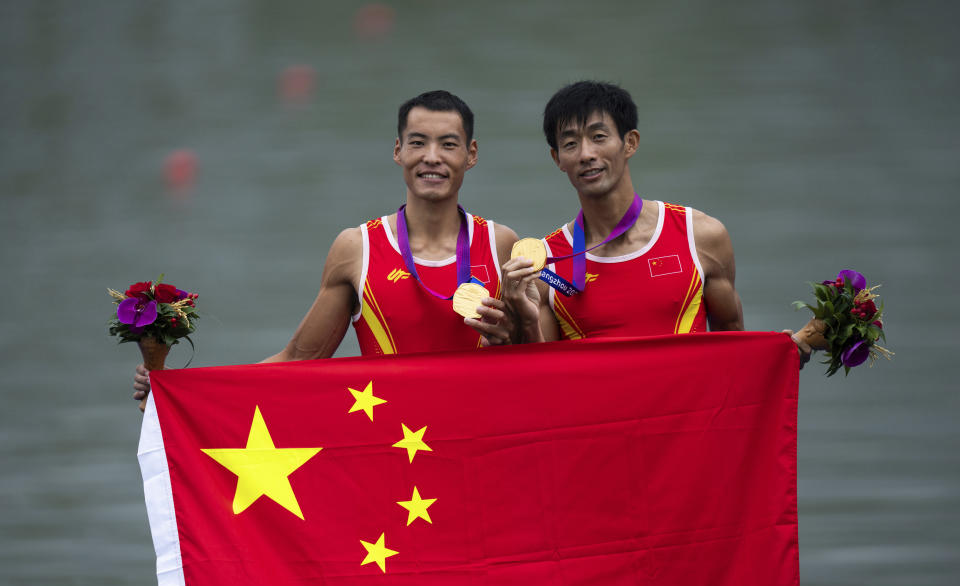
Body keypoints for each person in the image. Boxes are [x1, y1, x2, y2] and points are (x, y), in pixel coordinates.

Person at [134, 90, 519, 402]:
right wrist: (179, 392)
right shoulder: (357, 248)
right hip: (400, 452)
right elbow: (300, 359)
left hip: (480, 444)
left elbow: (542, 356)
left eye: (448, 145)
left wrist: (513, 338)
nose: (431, 157)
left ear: (471, 155)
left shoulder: (501, 245)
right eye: (418, 143)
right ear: (398, 150)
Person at [501, 81, 745, 343]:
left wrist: (788, 351)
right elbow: (546, 374)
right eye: (570, 144)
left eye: (598, 137)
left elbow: (737, 351)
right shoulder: (545, 264)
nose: (586, 154)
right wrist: (524, 324)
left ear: (630, 143)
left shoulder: (700, 236)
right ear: (557, 158)